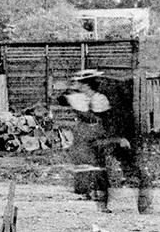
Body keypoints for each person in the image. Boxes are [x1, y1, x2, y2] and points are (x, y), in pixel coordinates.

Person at [57, 70, 151, 213]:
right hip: (90, 138)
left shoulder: (100, 99)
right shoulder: (80, 98)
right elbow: (61, 100)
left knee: (127, 167)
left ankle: (143, 202)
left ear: (86, 85)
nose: (76, 85)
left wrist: (118, 138)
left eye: (79, 83)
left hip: (105, 136)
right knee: (94, 168)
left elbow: (107, 121)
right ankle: (101, 204)